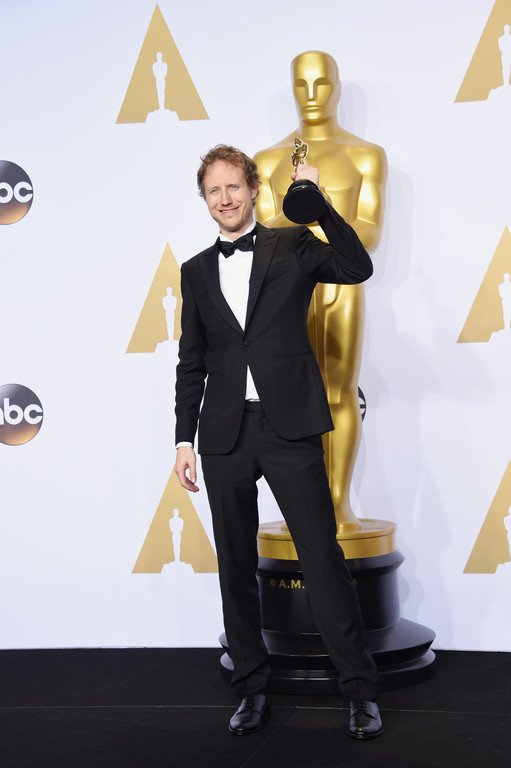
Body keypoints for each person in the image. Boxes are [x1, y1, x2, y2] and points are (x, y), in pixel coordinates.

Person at [173, 144, 382, 740]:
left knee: (322, 557)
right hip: (224, 435)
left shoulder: (292, 245)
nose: (225, 199)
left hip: (288, 425)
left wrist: (317, 203)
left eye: (233, 186)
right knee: (236, 564)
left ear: (253, 188)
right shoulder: (195, 271)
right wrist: (183, 440)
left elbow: (357, 266)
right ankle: (251, 687)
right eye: (213, 191)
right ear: (205, 200)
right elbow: (191, 363)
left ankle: (360, 691)